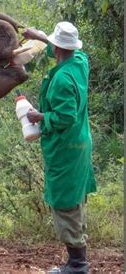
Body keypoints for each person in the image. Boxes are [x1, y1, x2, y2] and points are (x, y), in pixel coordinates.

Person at [23, 22, 97, 274]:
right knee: (75, 200)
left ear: (57, 48)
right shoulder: (79, 63)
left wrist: (39, 117)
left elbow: (66, 117)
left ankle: (77, 264)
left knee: (65, 203)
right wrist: (40, 37)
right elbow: (68, 50)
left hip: (66, 147)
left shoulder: (63, 79)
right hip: (79, 144)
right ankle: (77, 259)